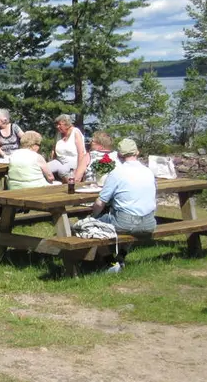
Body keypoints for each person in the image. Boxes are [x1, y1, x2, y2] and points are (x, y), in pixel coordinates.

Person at [91, 138, 157, 272]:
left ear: (119, 155)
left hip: (126, 222)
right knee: (130, 227)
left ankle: (110, 262)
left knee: (90, 226)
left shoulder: (117, 173)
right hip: (149, 223)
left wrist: (92, 217)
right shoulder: (148, 172)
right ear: (137, 152)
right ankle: (121, 256)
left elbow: (100, 202)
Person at [47, 114, 89, 182]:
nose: (57, 126)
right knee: (45, 169)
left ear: (67, 124)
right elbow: (53, 150)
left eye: (59, 124)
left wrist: (79, 169)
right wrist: (52, 160)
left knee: (62, 170)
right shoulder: (58, 133)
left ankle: (71, 185)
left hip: (74, 161)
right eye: (56, 124)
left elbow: (81, 152)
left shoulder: (75, 132)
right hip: (59, 161)